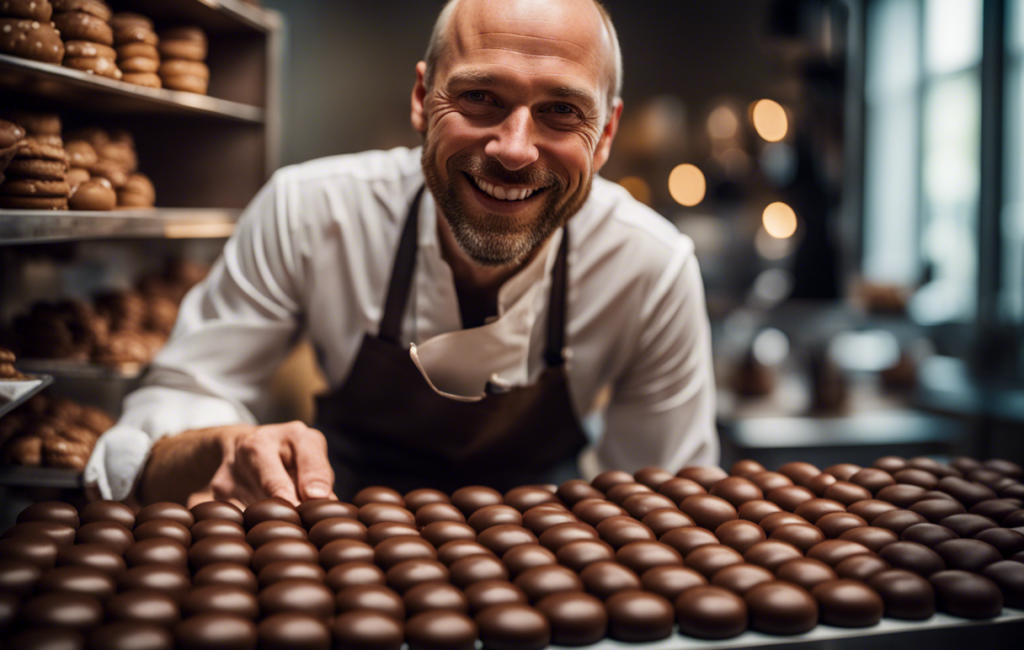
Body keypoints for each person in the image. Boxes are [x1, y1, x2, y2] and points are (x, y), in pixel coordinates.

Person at [84, 0, 718, 506]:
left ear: (604, 133)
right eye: (479, 98)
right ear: (422, 99)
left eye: (561, 111)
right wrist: (219, 445)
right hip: (339, 559)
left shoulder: (651, 270)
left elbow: (658, 501)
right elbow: (178, 404)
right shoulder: (309, 212)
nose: (515, 148)